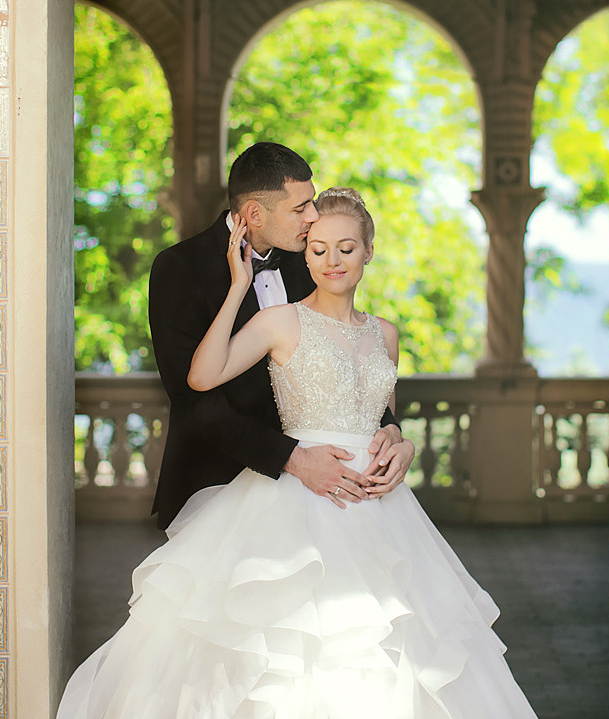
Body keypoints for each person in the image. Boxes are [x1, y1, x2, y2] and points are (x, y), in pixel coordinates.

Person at [58, 188, 539, 719]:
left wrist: (401, 442)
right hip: (298, 500)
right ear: (304, 255)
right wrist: (238, 287)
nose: (332, 261)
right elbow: (201, 376)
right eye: (318, 249)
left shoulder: (386, 334)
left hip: (381, 512)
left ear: (368, 251)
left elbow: (381, 415)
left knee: (400, 649)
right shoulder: (281, 321)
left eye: (346, 249)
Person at [147, 141, 409, 529]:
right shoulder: (179, 267)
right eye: (300, 208)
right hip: (216, 483)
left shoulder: (311, 257)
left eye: (312, 202)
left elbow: (348, 359)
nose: (314, 215)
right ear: (254, 213)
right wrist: (294, 459)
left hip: (324, 490)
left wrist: (393, 431)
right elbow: (194, 400)